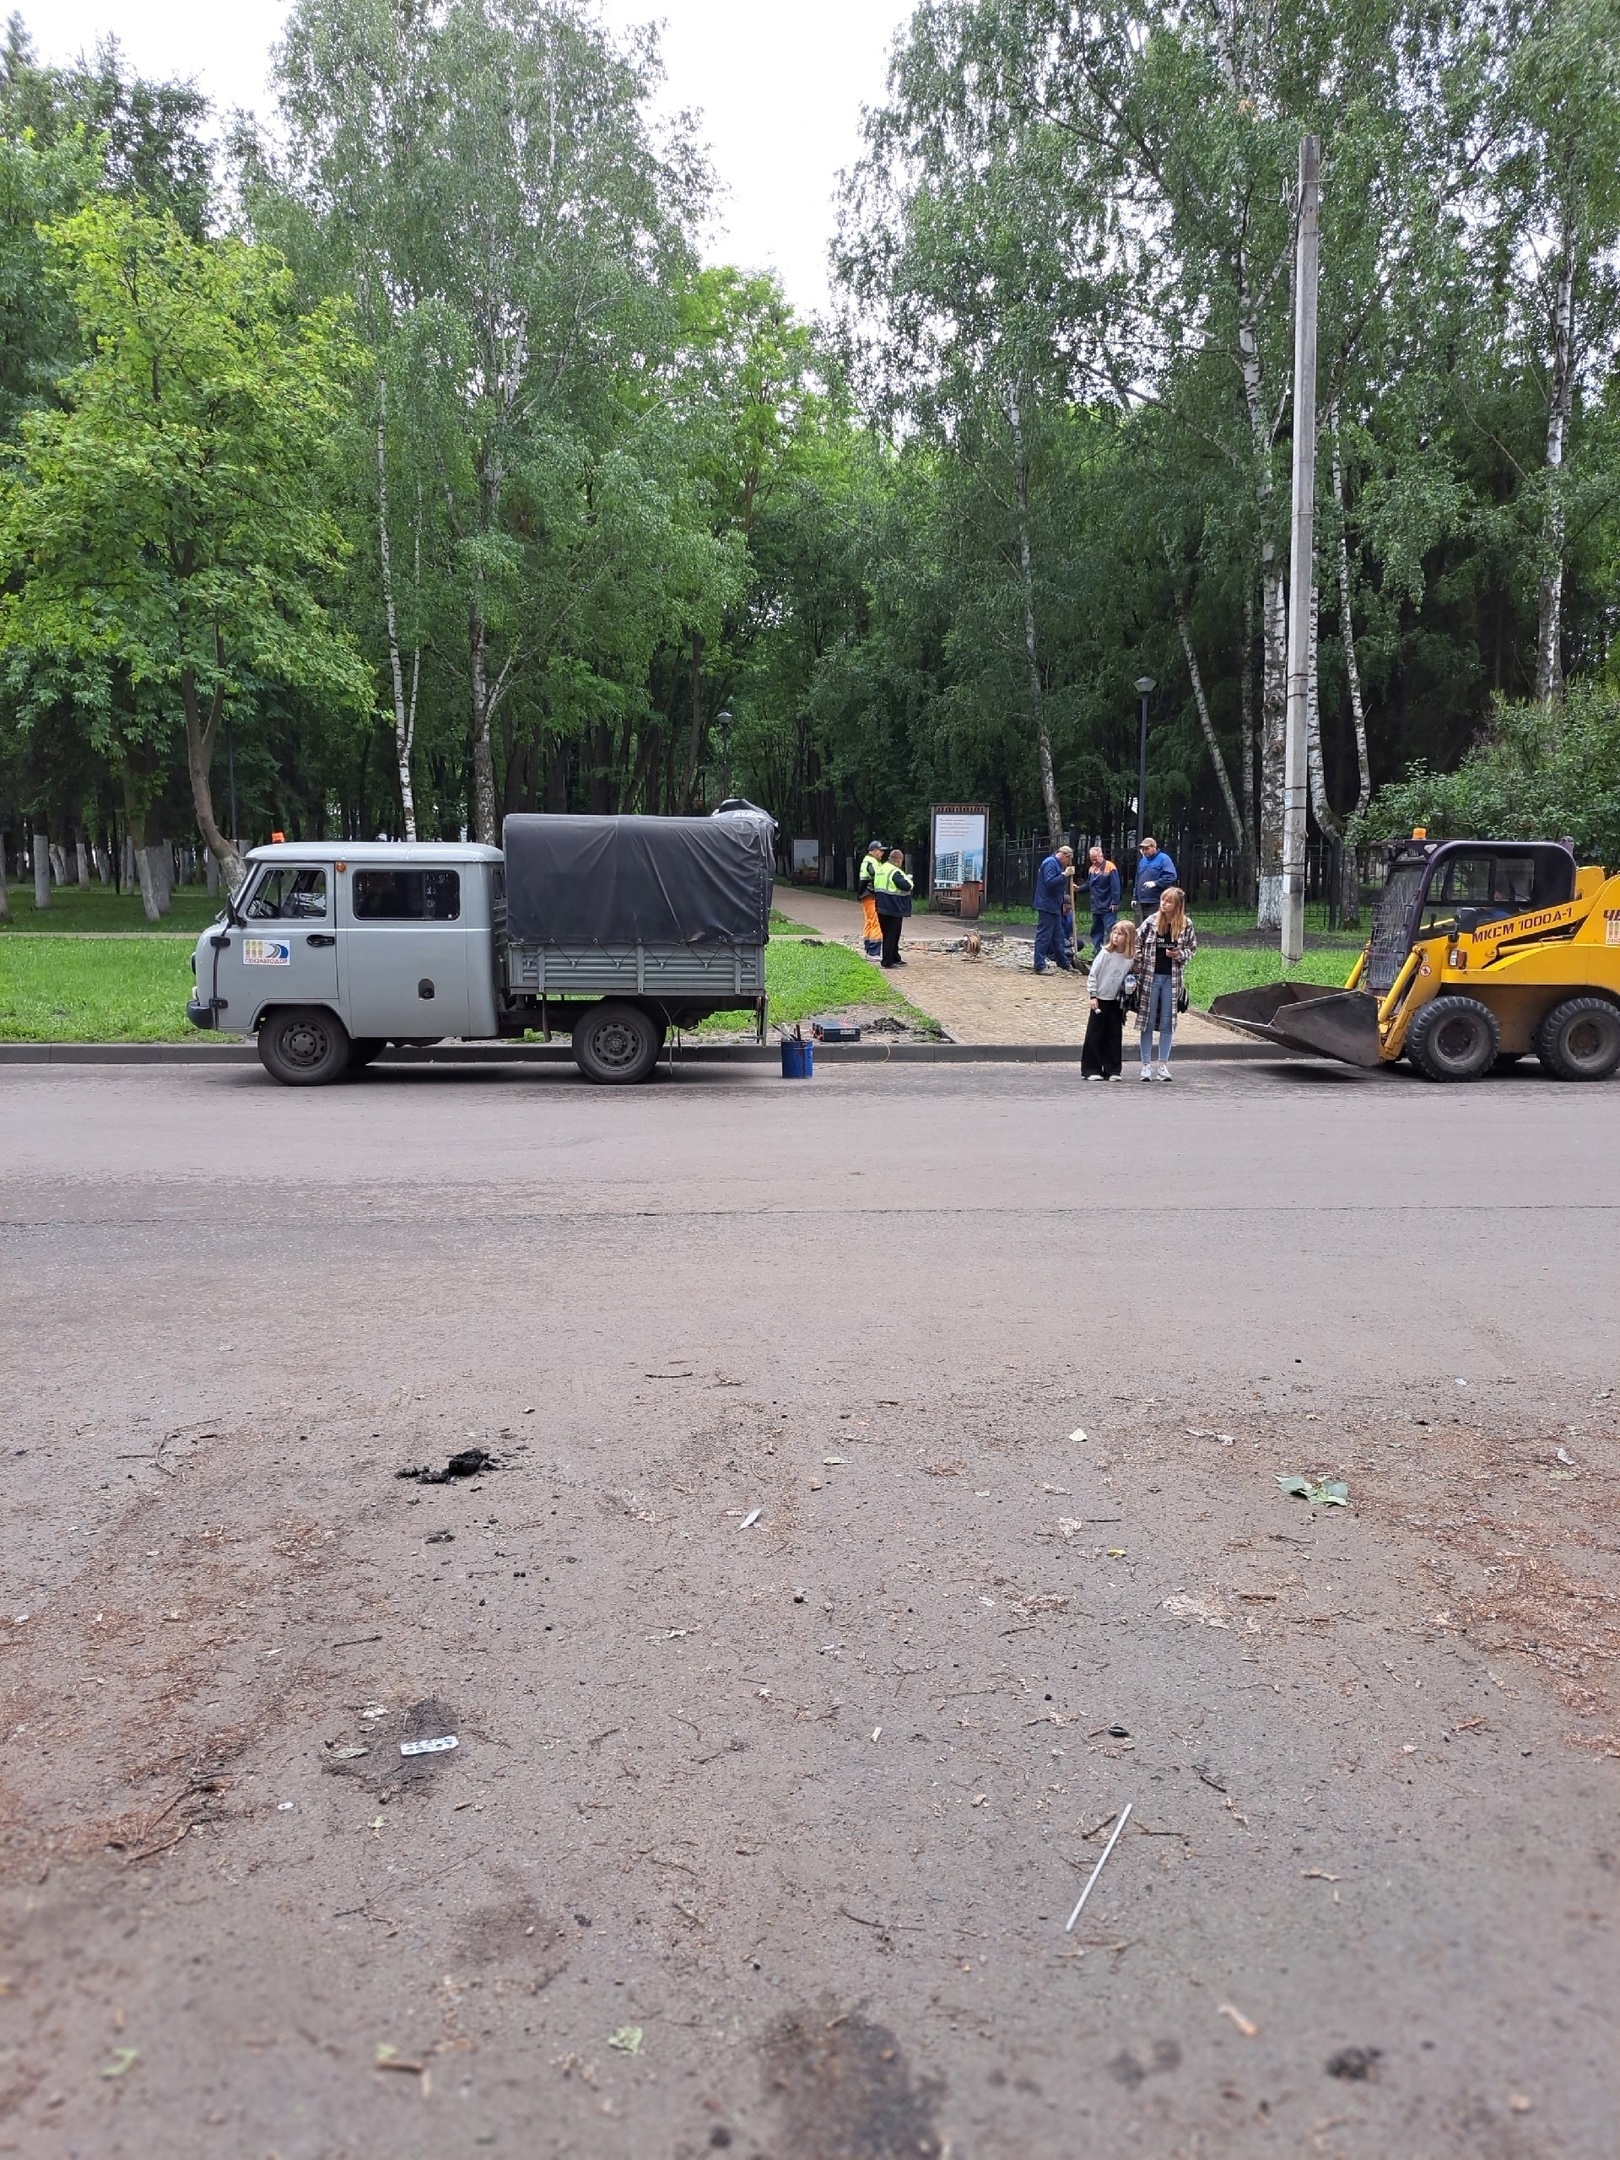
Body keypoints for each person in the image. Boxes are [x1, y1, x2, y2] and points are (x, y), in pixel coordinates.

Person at [1135, 885, 1197, 1082]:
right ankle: (1146, 1065)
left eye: (1168, 901)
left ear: (1177, 905)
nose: (1163, 903)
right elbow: (1137, 941)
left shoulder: (1186, 924)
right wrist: (1137, 961)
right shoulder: (1152, 921)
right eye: (1162, 899)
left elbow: (1192, 949)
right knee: (1147, 1019)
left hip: (1172, 978)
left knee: (1167, 1021)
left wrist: (1178, 954)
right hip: (1150, 976)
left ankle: (1163, 1065)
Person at [1080, 920, 1136, 1080]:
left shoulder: (1129, 958)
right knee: (1095, 1033)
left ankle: (1112, 1069)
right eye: (1114, 933)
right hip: (1101, 998)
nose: (1116, 936)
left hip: (1116, 1000)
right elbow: (1093, 974)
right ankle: (1091, 1069)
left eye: (1120, 934)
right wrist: (1093, 995)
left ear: (1128, 938)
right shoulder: (1105, 953)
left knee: (1114, 1034)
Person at [1033, 843, 1076, 973]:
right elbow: (1050, 883)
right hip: (1047, 905)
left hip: (1053, 905)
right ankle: (1039, 965)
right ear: (1064, 856)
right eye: (1068, 860)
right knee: (1044, 935)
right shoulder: (1051, 863)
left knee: (1058, 935)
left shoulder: (1055, 864)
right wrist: (1064, 875)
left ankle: (1063, 962)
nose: (1067, 864)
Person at [874, 846, 913, 967]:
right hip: (893, 906)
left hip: (881, 905)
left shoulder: (882, 868)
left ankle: (895, 957)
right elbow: (905, 885)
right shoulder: (894, 871)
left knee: (889, 934)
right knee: (892, 935)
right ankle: (887, 961)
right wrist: (909, 880)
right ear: (899, 860)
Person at [1085, 845, 1121, 956]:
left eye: (1096, 859)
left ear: (1101, 855)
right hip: (1096, 905)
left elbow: (1115, 886)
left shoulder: (1110, 867)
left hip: (1108, 905)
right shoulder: (1092, 869)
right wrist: (1078, 889)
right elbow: (1089, 885)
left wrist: (1115, 901)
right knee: (1096, 929)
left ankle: (1113, 950)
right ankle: (1098, 951)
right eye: (1092, 859)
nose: (1094, 861)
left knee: (1111, 928)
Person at [1133, 836, 1178, 920]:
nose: (1144, 851)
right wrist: (1135, 897)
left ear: (1154, 847)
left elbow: (1171, 876)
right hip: (1143, 900)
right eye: (1142, 849)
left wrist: (1155, 883)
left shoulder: (1164, 859)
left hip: (1157, 900)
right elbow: (1138, 880)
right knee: (1146, 925)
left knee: (1156, 925)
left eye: (1147, 848)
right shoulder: (1143, 861)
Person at [857, 840, 886, 959]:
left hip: (866, 894)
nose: (882, 853)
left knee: (869, 921)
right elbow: (875, 875)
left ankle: (869, 948)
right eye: (881, 851)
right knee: (876, 922)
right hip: (871, 894)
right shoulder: (871, 861)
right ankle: (874, 951)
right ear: (874, 851)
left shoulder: (869, 860)